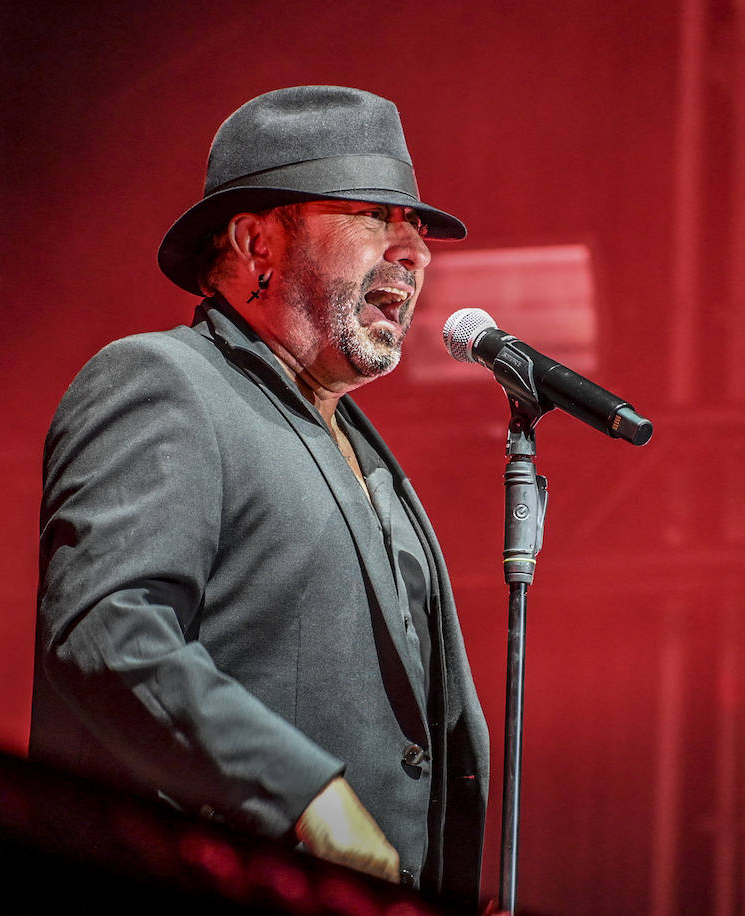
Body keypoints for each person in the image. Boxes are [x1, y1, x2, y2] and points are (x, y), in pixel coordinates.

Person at [28, 85, 489, 906]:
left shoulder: (366, 451)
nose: (414, 252)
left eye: (417, 228)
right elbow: (107, 631)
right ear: (255, 242)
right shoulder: (163, 384)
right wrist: (307, 797)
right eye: (376, 216)